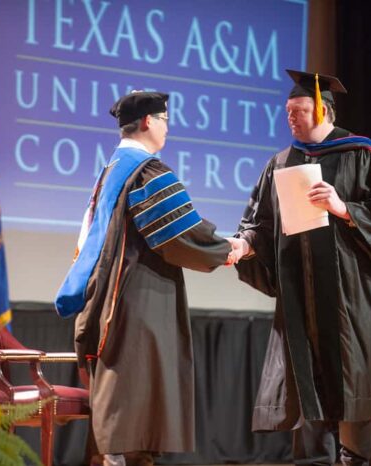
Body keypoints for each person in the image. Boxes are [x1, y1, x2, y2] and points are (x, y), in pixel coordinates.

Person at [227, 70, 371, 466]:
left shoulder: (362, 155)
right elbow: (260, 223)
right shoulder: (280, 162)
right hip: (299, 297)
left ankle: (354, 458)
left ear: (324, 110)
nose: (291, 117)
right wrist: (244, 244)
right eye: (288, 110)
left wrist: (343, 209)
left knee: (350, 379)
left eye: (300, 110)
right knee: (304, 383)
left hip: (351, 299)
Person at [55, 91, 231, 466]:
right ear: (149, 121)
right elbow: (176, 235)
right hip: (137, 297)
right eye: (165, 120)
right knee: (133, 394)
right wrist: (226, 248)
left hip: (109, 296)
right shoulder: (146, 170)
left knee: (125, 392)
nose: (168, 128)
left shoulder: (111, 170)